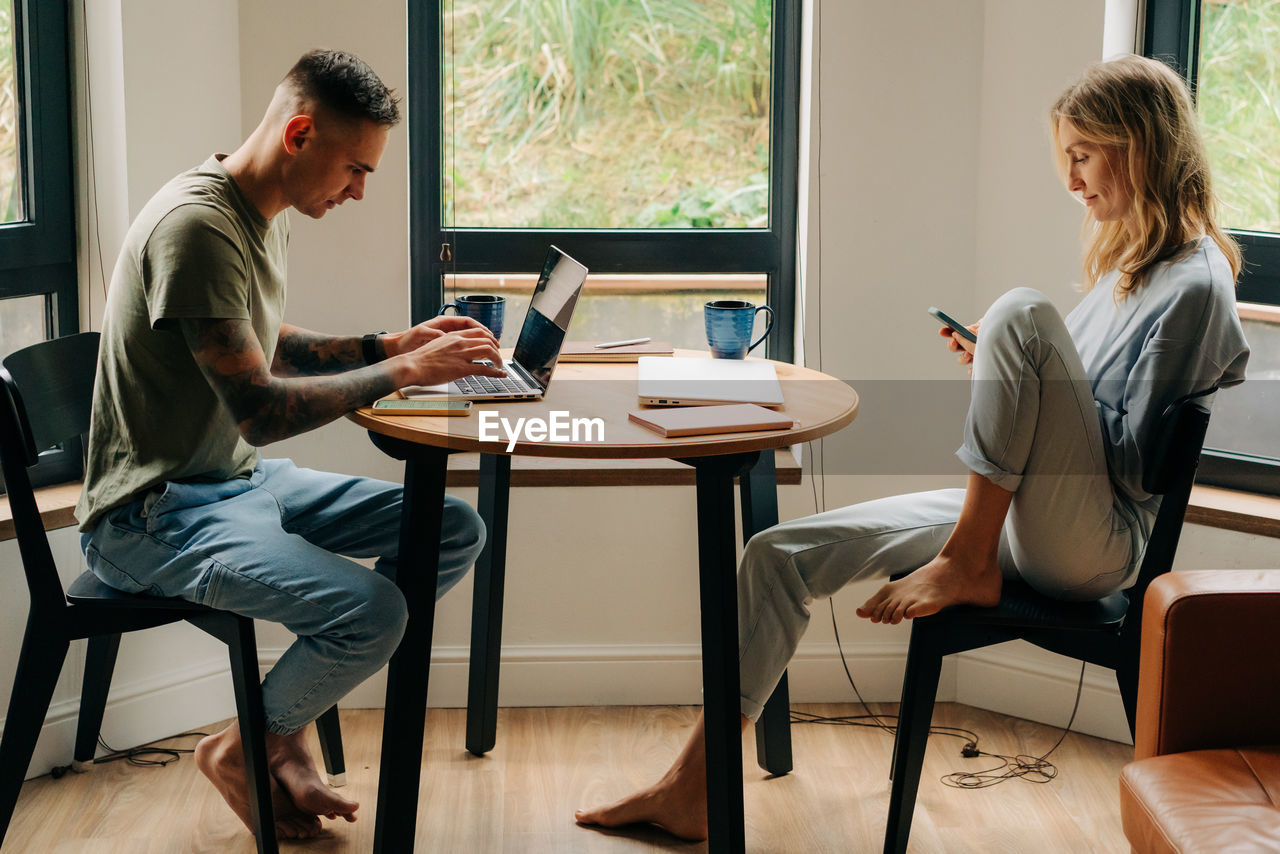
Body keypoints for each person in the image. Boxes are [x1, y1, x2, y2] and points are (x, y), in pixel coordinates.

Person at [575, 54, 1250, 841]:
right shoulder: (1134, 264)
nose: (1072, 180)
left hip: (1091, 545)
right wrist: (1018, 382)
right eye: (1065, 157)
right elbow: (1081, 410)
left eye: (1082, 155)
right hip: (1029, 514)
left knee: (1023, 311)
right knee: (776, 553)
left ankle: (966, 561)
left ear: (1139, 145)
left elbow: (1135, 468)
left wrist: (1036, 381)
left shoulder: (1197, 285)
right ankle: (693, 785)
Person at [75, 49, 508, 841]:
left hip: (234, 486)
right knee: (372, 613)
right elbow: (261, 411)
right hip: (150, 517)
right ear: (300, 135)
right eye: (355, 169)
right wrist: (405, 370)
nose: (359, 191)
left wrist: (388, 342)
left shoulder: (254, 212)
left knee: (452, 528)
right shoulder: (197, 228)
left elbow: (262, 343)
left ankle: (275, 735)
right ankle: (251, 745)